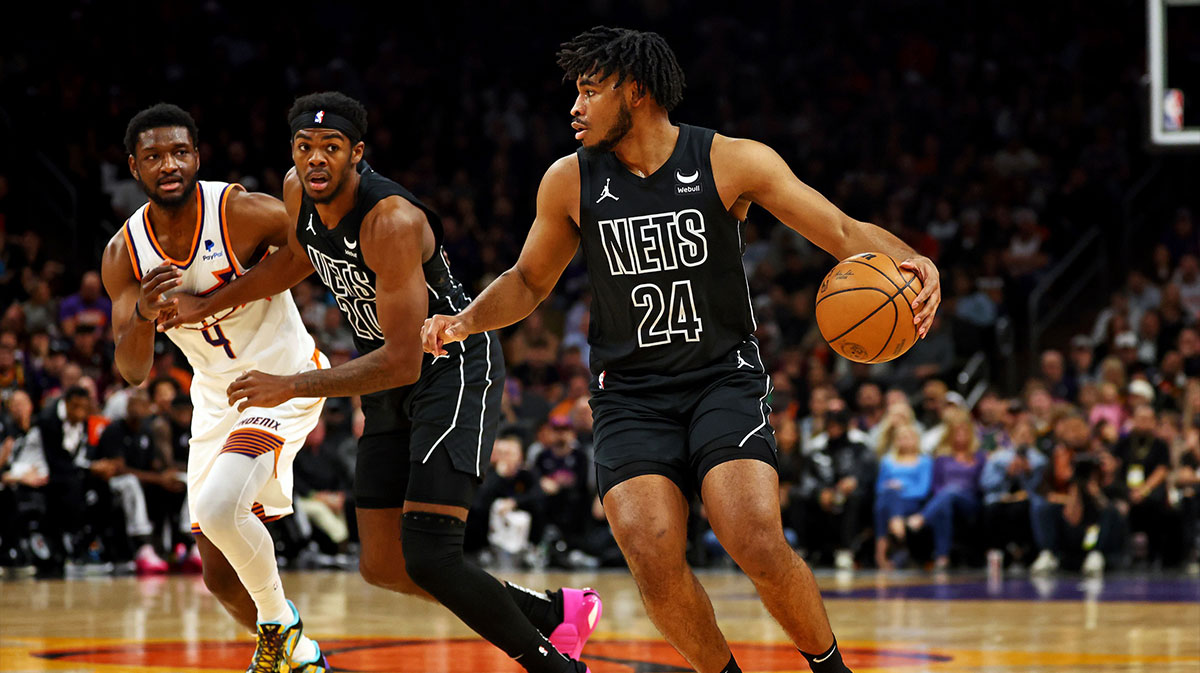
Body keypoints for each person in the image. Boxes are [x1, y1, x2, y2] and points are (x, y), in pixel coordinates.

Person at [422, 27, 941, 673]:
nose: (574, 107)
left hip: (720, 378)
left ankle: (829, 668)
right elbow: (529, 281)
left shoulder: (731, 160)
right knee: (649, 548)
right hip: (630, 393)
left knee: (751, 532)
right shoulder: (568, 180)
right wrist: (465, 319)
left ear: (634, 92)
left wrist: (911, 260)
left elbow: (838, 229)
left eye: (589, 90)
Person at [161, 92, 600, 673]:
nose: (315, 159)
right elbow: (297, 259)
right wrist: (208, 303)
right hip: (386, 375)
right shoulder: (297, 190)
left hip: (450, 368)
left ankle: (557, 666)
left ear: (357, 154)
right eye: (304, 147)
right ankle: (554, 612)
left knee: (432, 555)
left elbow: (404, 361)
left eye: (331, 148)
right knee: (385, 564)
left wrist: (291, 384)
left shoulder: (391, 221)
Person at [100, 103, 330, 672]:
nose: (169, 164)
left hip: (281, 376)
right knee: (220, 578)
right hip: (216, 397)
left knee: (222, 504)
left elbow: (310, 249)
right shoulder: (123, 254)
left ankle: (281, 626)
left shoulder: (239, 212)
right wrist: (143, 318)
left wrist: (213, 301)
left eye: (180, 152)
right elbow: (131, 371)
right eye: (153, 156)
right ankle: (300, 655)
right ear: (134, 167)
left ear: (197, 157)